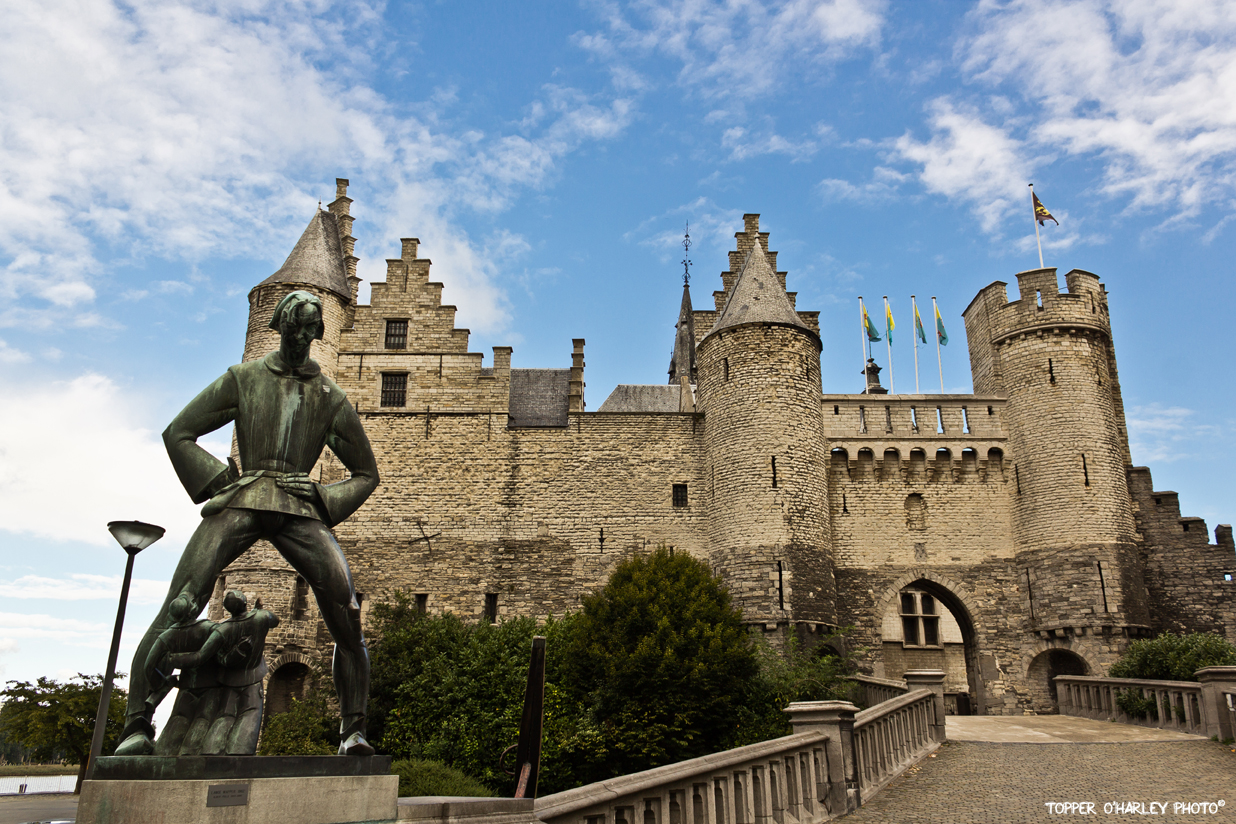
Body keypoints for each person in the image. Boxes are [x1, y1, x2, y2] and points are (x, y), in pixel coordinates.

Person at [115, 290, 380, 756]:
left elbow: (366, 473)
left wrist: (322, 495)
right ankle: (137, 725)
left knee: (347, 613)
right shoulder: (243, 379)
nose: (302, 335)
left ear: (320, 332)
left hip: (299, 510)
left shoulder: (330, 397)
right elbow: (178, 432)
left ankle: (352, 731)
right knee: (180, 604)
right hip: (244, 497)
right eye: (294, 326)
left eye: (311, 328)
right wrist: (219, 480)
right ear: (278, 325)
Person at [164, 590, 279, 755]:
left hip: (228, 681)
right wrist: (258, 610)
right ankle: (240, 754)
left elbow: (201, 656)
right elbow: (274, 620)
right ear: (245, 603)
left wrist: (173, 659)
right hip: (253, 678)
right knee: (250, 715)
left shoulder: (222, 629)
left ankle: (211, 751)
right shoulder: (260, 618)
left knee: (224, 716)